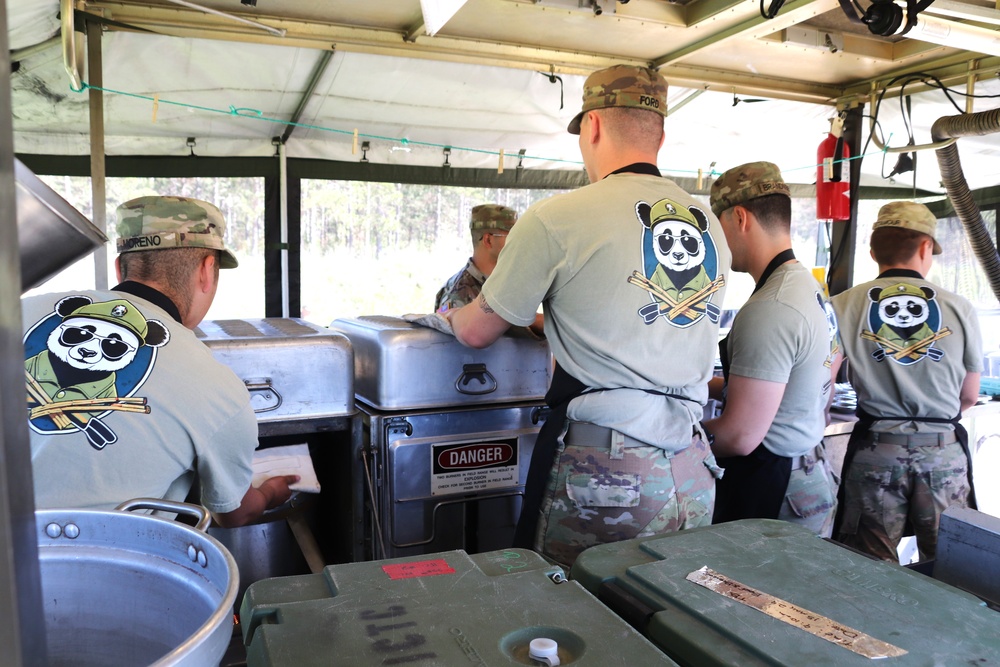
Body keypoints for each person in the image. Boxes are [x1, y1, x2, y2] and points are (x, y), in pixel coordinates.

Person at [445, 64, 731, 568]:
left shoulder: (558, 218)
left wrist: (443, 317)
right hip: (692, 464)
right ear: (660, 133)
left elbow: (475, 330)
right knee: (668, 624)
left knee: (570, 619)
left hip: (607, 471)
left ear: (592, 127)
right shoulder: (708, 225)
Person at [22, 195, 298, 527]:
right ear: (207, 271)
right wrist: (269, 493)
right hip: (103, 562)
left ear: (120, 267)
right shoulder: (216, 387)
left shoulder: (17, 311)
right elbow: (234, 512)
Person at [831, 201, 981, 561]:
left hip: (875, 455)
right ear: (926, 247)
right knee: (950, 569)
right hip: (942, 454)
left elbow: (823, 384)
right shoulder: (960, 307)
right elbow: (970, 395)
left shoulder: (841, 305)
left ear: (872, 251)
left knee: (868, 569)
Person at [701, 162, 842, 537]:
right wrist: (701, 386)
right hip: (810, 469)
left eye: (718, 224)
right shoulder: (811, 289)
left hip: (775, 490)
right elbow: (819, 372)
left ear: (741, 218)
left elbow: (739, 435)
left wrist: (674, 439)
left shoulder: (771, 307)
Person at [434, 204, 518, 313]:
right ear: (488, 240)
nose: (517, 242)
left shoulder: (504, 282)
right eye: (511, 236)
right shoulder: (458, 294)